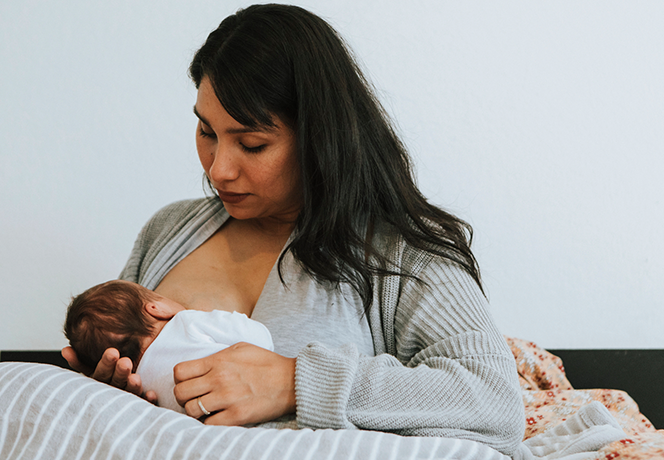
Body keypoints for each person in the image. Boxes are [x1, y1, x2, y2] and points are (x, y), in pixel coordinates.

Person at [62, 3, 525, 456]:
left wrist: (294, 383)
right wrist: (112, 391)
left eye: (252, 143)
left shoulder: (402, 252)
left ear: (319, 138)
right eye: (207, 132)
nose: (219, 169)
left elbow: (495, 400)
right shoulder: (168, 230)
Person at [63, 279, 274, 414]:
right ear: (156, 308)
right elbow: (260, 338)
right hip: (256, 404)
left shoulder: (142, 387)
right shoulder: (186, 322)